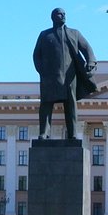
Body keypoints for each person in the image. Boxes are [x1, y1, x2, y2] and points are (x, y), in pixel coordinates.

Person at [33, 8, 97, 140]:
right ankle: (44, 132)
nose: (62, 16)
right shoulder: (45, 35)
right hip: (49, 76)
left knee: (71, 105)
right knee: (46, 104)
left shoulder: (74, 33)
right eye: (59, 14)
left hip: (69, 75)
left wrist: (91, 61)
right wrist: (42, 72)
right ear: (53, 17)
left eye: (64, 14)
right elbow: (36, 55)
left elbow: (87, 48)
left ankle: (72, 133)